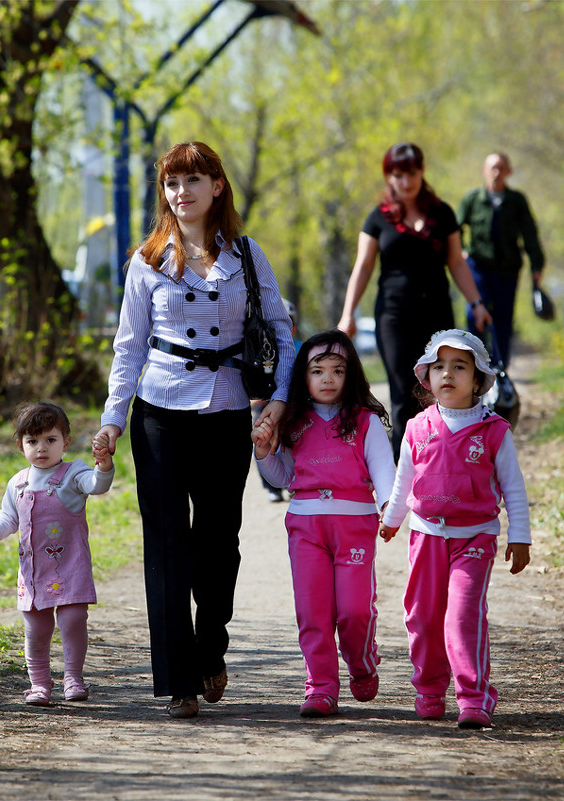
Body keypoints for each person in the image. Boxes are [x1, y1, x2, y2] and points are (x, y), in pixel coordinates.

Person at [95, 141, 296, 719]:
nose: (180, 193)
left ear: (216, 186)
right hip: (159, 411)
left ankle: (212, 645)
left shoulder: (248, 254)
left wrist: (277, 405)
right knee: (165, 545)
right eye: (171, 183)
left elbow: (282, 334)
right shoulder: (147, 259)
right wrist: (113, 420)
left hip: (228, 409)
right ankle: (178, 679)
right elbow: (128, 347)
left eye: (192, 180)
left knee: (217, 544)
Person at [378, 329, 531, 730]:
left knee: (462, 616)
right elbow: (403, 480)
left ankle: (474, 696)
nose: (447, 374)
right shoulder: (417, 427)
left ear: (478, 379)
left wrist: (520, 536)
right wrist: (392, 519)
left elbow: (513, 486)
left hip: (475, 538)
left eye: (459, 367)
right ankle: (429, 690)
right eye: (439, 367)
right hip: (426, 535)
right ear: (426, 377)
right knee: (424, 617)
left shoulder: (494, 430)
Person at [252, 329, 395, 718]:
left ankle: (362, 660)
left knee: (354, 611)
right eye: (317, 371)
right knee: (312, 611)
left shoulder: (365, 422)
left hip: (355, 527)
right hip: (306, 527)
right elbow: (283, 476)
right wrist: (264, 453)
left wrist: (390, 508)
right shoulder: (294, 422)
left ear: (352, 376)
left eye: (337, 370)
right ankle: (321, 688)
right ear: (304, 376)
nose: (328, 379)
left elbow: (385, 473)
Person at [337, 142, 493, 462]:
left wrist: (477, 303)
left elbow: (457, 263)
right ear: (388, 177)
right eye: (397, 175)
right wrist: (347, 314)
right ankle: (403, 475)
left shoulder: (443, 214)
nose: (405, 181)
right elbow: (363, 267)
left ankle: (443, 463)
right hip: (393, 316)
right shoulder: (377, 219)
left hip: (437, 315)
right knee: (402, 394)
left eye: (411, 173)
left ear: (422, 172)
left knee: (441, 390)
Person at [0, 402, 114, 706]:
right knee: (36, 628)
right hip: (34, 573)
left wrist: (102, 466)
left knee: (73, 620)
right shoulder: (18, 483)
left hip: (70, 567)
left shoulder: (73, 473)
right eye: (33, 441)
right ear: (20, 445)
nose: (42, 448)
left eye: (50, 440)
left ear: (65, 441)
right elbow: (7, 517)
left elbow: (96, 485)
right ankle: (39, 683)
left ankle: (73, 679)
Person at [457, 152, 546, 367]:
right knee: (474, 318)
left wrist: (537, 265)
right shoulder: (472, 199)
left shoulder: (516, 201)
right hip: (477, 269)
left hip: (507, 271)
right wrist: (461, 252)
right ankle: (474, 370)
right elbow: (455, 228)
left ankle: (499, 374)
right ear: (484, 171)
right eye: (492, 168)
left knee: (503, 323)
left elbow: (530, 234)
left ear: (508, 172)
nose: (496, 173)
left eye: (500, 168)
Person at [258, 297, 302, 502]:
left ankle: (299, 479)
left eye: (288, 323)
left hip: (295, 405)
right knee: (263, 439)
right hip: (265, 404)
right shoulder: (260, 349)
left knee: (292, 443)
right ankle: (271, 486)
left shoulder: (302, 348)